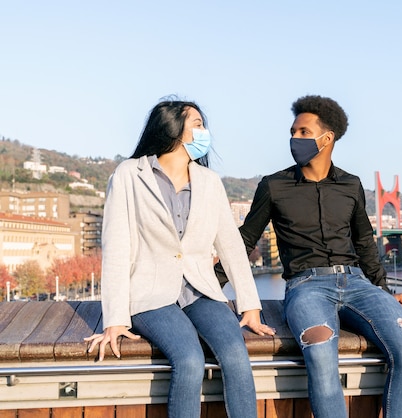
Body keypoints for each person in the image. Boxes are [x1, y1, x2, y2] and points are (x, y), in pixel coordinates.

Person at [230, 95, 402, 418]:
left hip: (358, 283)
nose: (295, 138)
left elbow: (365, 245)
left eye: (304, 132)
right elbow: (243, 241)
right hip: (306, 287)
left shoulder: (351, 185)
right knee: (320, 351)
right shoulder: (273, 186)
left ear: (327, 138)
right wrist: (205, 284)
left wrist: (386, 293)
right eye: (293, 131)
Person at [85, 99, 275, 418]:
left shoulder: (209, 182)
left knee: (236, 355)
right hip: (149, 295)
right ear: (173, 130)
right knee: (188, 360)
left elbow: (230, 246)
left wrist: (251, 307)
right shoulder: (129, 175)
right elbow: (116, 248)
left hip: (201, 290)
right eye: (198, 124)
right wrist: (115, 319)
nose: (205, 132)